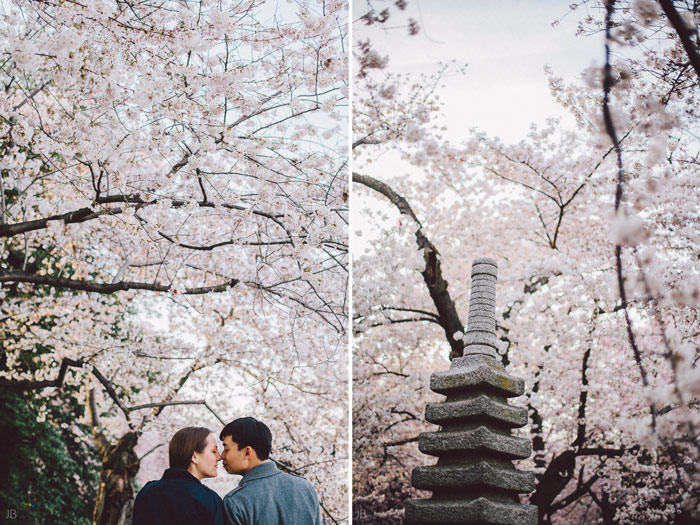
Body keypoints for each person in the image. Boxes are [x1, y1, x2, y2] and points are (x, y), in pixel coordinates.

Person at [220, 417, 323, 525]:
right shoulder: (305, 487)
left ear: (247, 452)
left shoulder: (237, 501)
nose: (222, 456)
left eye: (226, 450)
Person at [133, 426, 225, 525]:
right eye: (214, 451)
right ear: (194, 457)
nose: (219, 457)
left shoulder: (146, 492)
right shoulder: (209, 500)